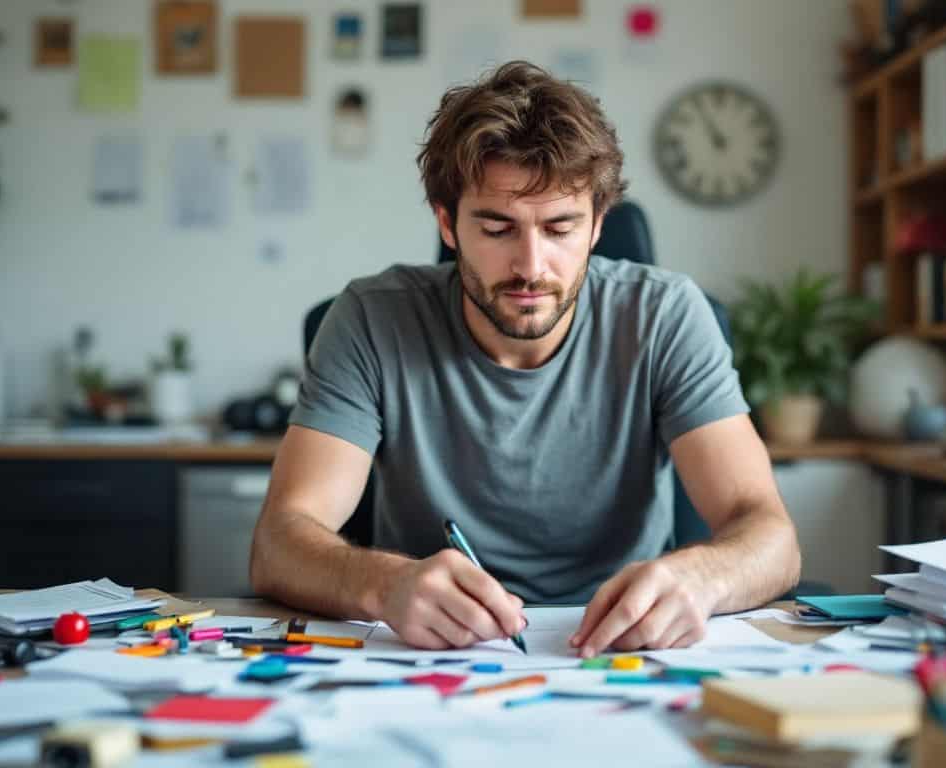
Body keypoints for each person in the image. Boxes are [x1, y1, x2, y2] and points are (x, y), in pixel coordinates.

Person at [250, 61, 800, 658]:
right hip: (426, 653)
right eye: (497, 228)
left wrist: (700, 577)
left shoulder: (665, 316)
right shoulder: (371, 319)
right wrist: (383, 584)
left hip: (623, 649)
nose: (531, 266)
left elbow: (771, 536)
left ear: (597, 225)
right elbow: (279, 542)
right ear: (447, 222)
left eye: (560, 228)